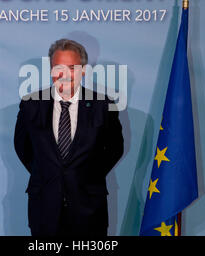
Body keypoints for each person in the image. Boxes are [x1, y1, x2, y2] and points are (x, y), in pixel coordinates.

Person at [14, 38, 124, 236]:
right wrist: (49, 173)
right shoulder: (31, 105)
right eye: (58, 68)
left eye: (72, 68)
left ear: (83, 70)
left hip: (89, 208)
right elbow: (23, 149)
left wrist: (86, 176)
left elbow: (115, 149)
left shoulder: (103, 105)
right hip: (44, 207)